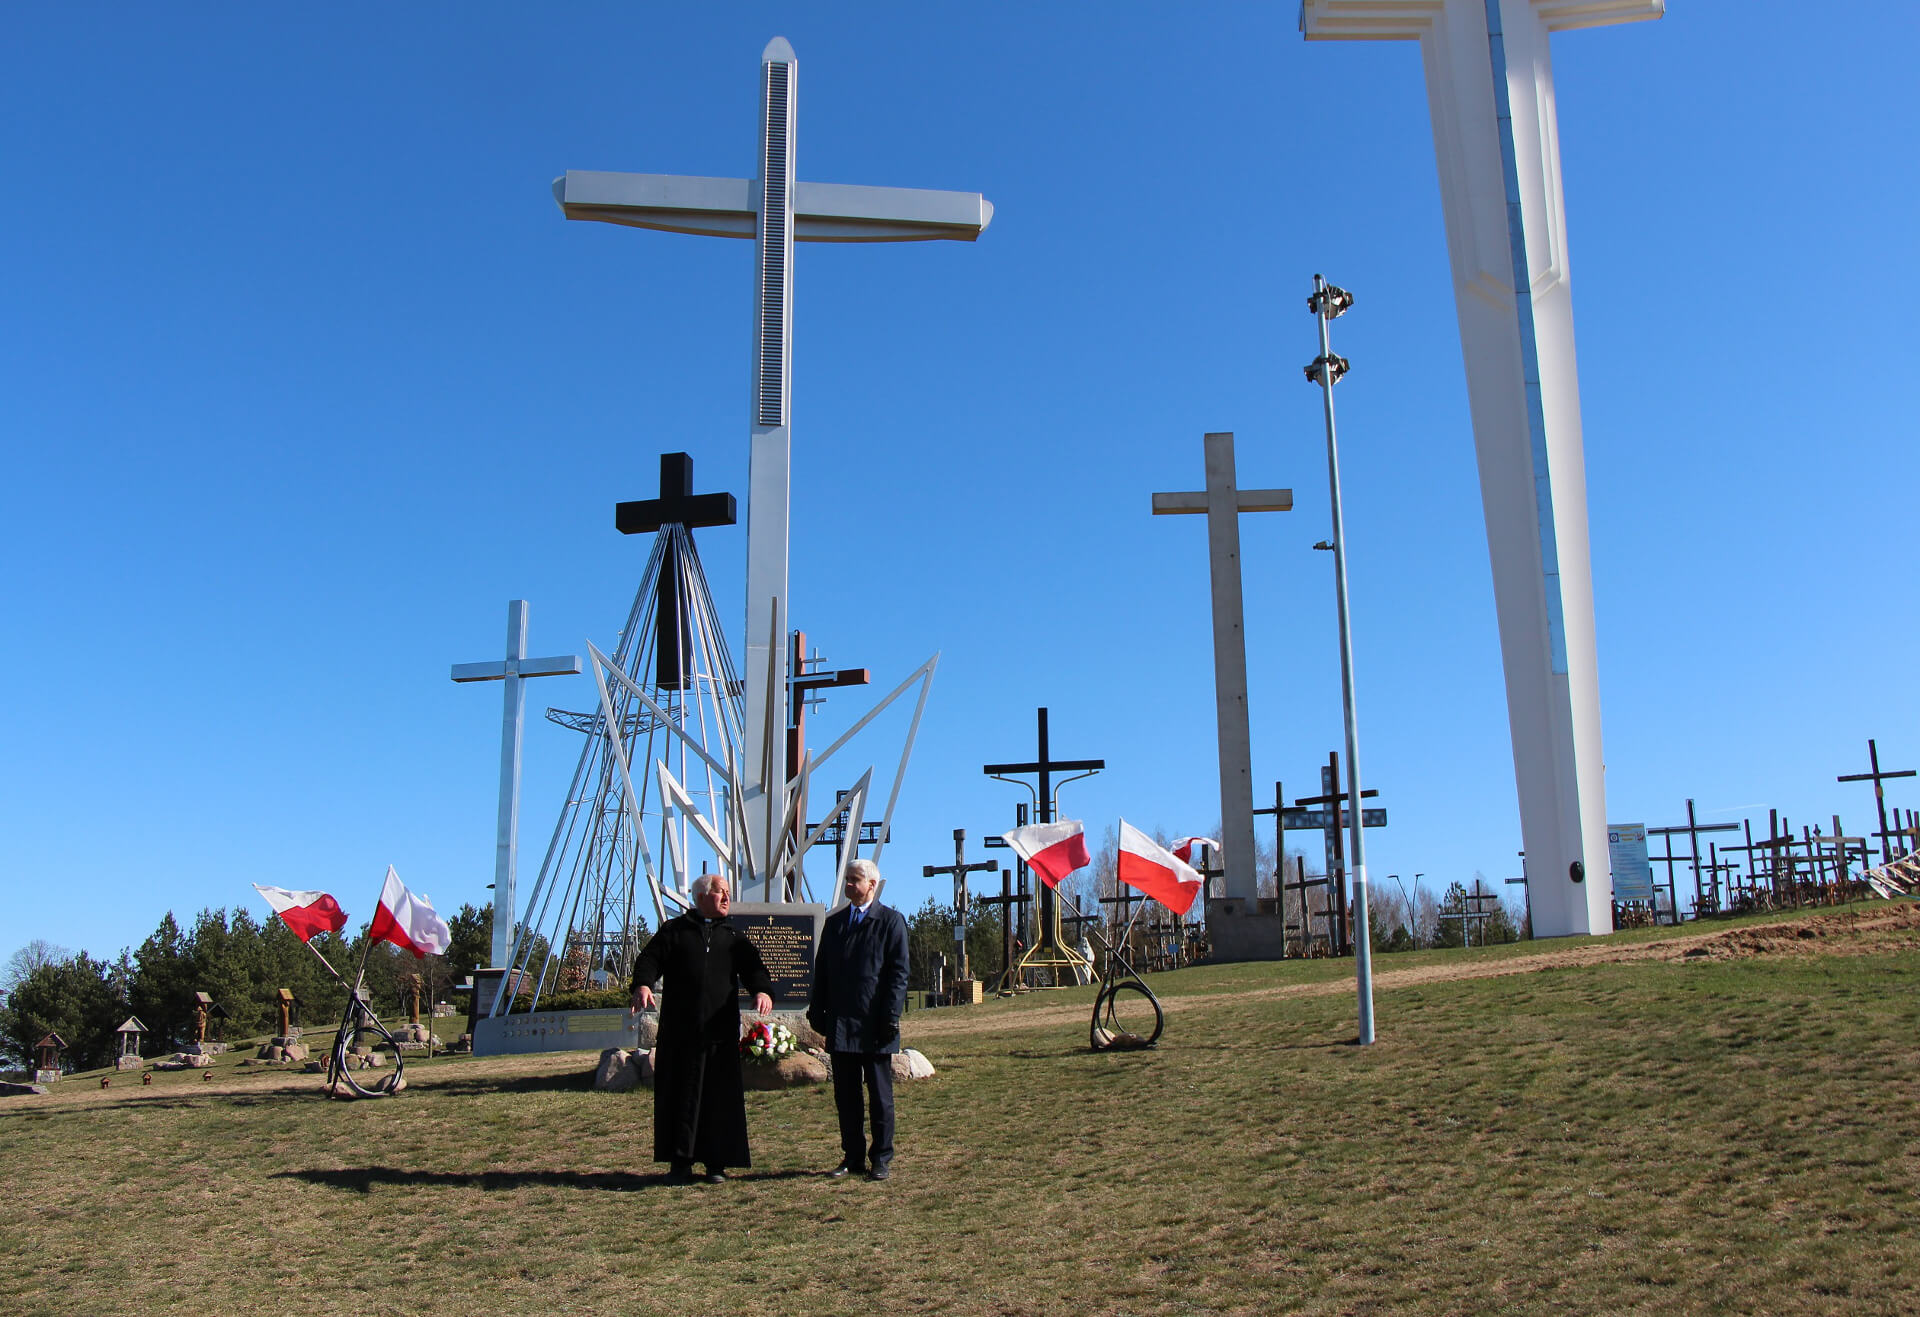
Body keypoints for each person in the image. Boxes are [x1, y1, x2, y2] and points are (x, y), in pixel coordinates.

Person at [630, 873, 774, 1185]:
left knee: (718, 1100)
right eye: (721, 892)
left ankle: (716, 1163)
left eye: (728, 892)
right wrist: (642, 984)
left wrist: (762, 991)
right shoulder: (675, 931)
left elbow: (754, 968)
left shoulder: (733, 937)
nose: (727, 898)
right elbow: (649, 960)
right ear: (701, 897)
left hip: (719, 1034)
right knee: (680, 1098)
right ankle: (680, 1162)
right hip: (680, 1033)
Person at [808, 857, 910, 1181]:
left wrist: (891, 1016)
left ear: (872, 885)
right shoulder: (835, 924)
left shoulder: (890, 922)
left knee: (879, 1097)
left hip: (875, 1024)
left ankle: (881, 1158)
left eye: (855, 880)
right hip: (842, 1024)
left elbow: (898, 975)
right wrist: (817, 1010)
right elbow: (822, 971)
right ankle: (852, 1157)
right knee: (847, 1097)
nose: (849, 885)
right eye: (847, 879)